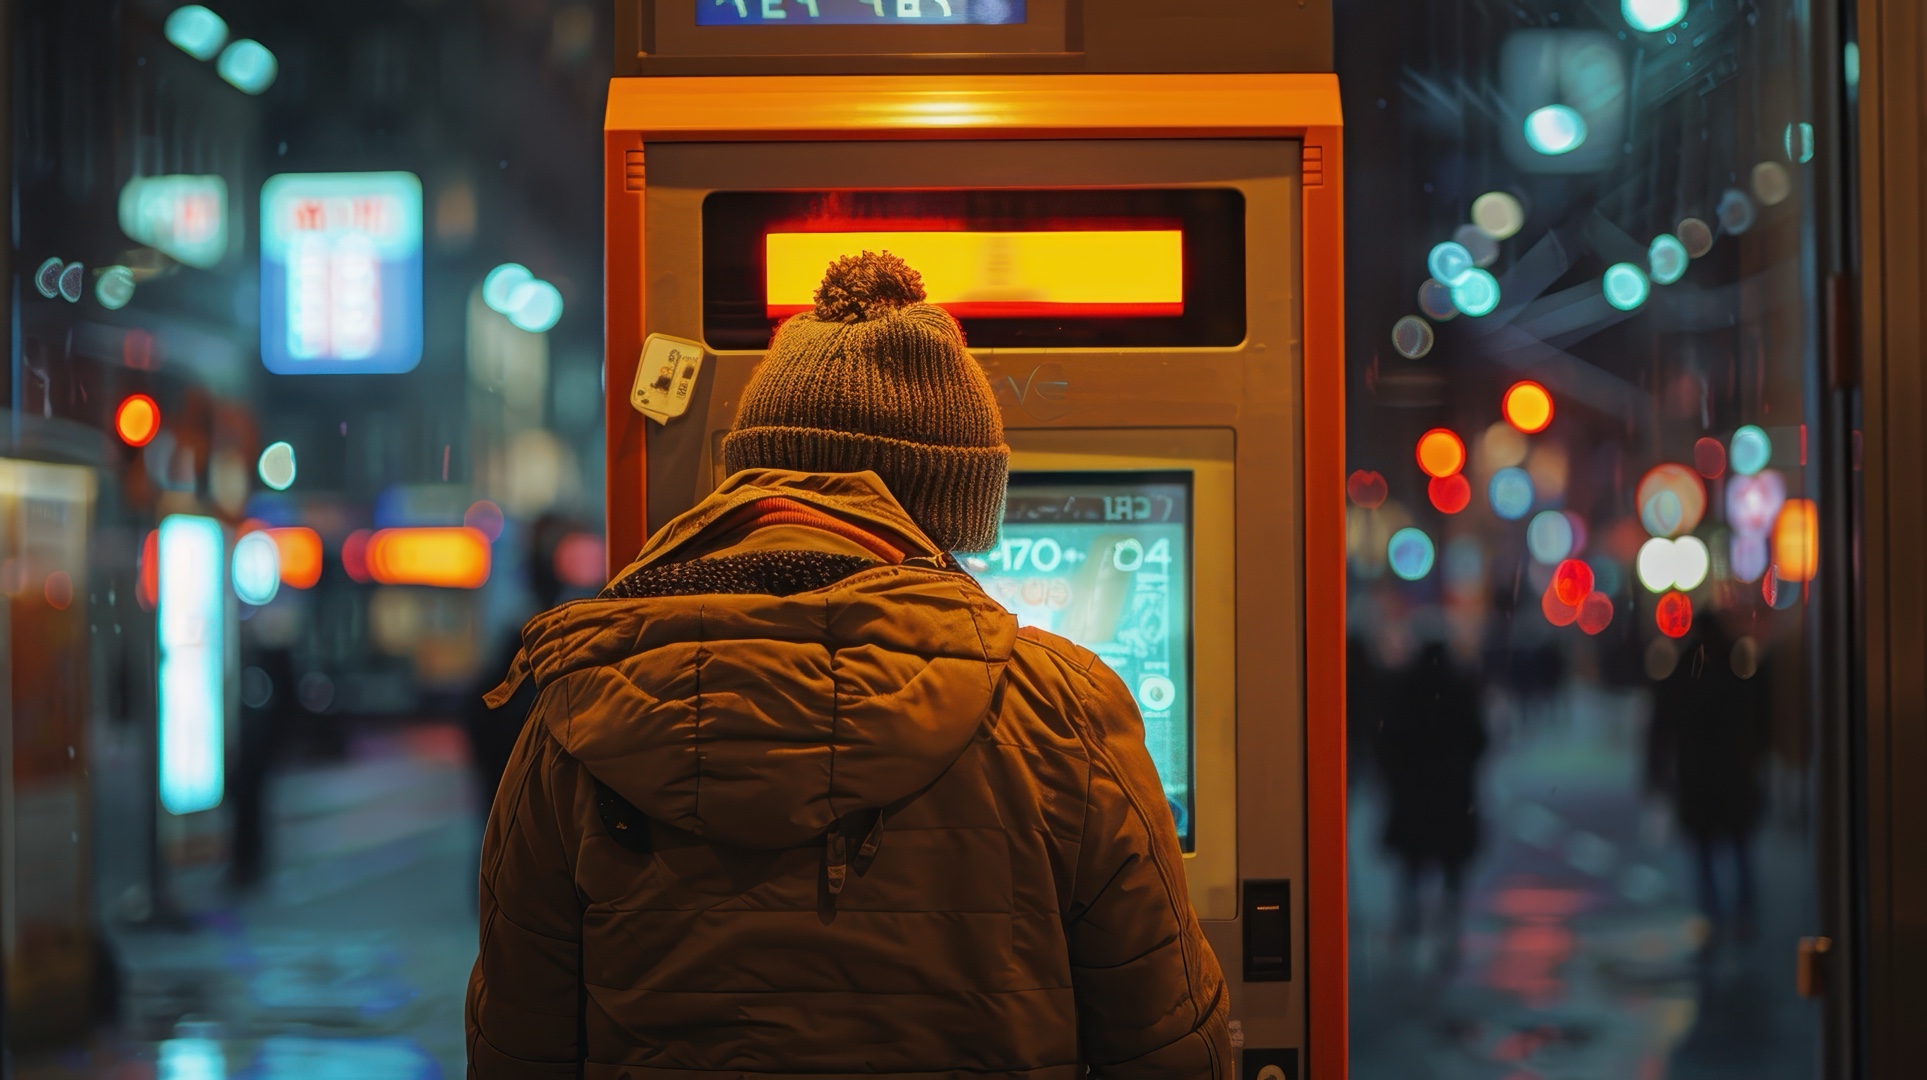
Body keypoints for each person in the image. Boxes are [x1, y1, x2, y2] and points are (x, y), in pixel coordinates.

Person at [465, 252, 1230, 1078]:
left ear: (752, 482)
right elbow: (1172, 1050)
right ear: (940, 515)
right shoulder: (1062, 709)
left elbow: (514, 1049)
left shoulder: (581, 707)